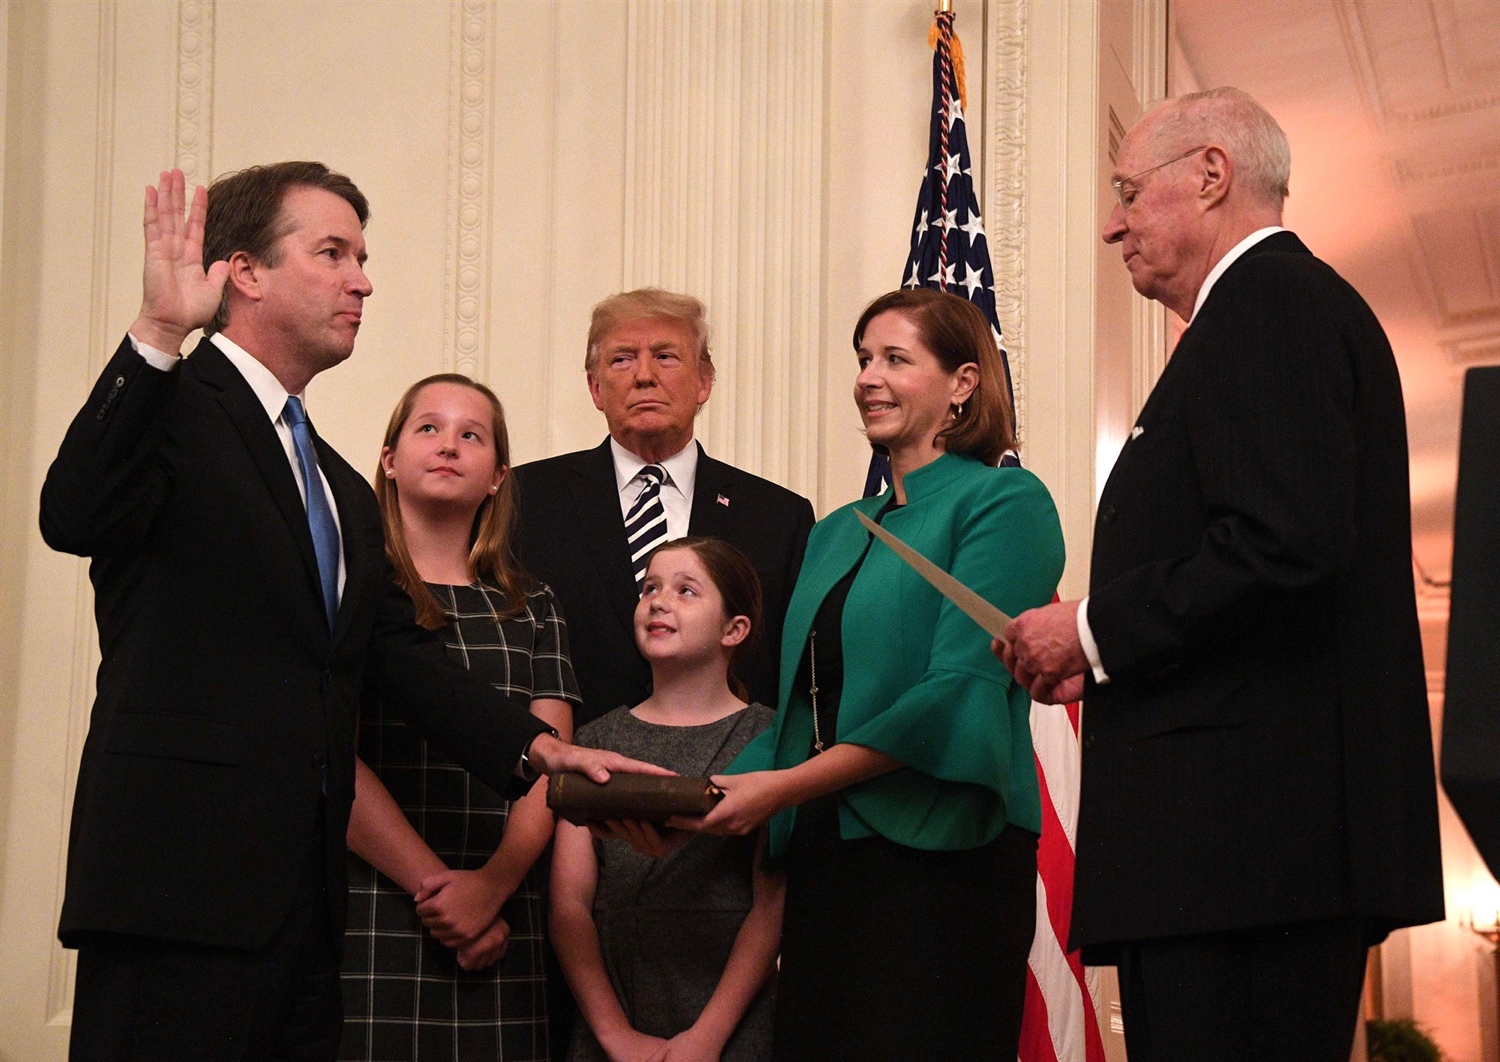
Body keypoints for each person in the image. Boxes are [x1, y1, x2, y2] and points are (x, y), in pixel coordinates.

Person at [38, 165, 653, 1060]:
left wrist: (542, 753)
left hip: (309, 913)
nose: (362, 279)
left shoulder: (334, 485)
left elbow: (398, 661)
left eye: (362, 257)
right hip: (175, 895)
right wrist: (157, 333)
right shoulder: (169, 405)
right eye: (332, 253)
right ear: (244, 272)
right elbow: (73, 514)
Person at [999, 88, 1445, 1060]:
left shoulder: (1270, 303)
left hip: (1245, 854)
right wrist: (1109, 656)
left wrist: (1091, 631)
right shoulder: (1260, 314)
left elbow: (1283, 544)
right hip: (1241, 851)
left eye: (1128, 189)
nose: (1111, 223)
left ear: (1210, 174)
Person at [680, 288, 1065, 1060]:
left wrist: (782, 789)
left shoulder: (1005, 501)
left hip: (944, 860)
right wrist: (684, 800)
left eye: (895, 358)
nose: (868, 377)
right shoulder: (833, 533)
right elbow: (798, 720)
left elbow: (956, 693)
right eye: (863, 359)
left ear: (963, 382)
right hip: (828, 861)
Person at [338, 375, 577, 1060]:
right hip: (376, 900)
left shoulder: (533, 605)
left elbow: (550, 763)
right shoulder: (352, 590)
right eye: (428, 428)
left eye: (471, 435)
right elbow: (332, 757)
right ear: (388, 458)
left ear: (498, 476)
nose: (449, 445)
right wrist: (436, 891)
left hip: (504, 912)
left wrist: (490, 889)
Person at [513, 289, 814, 728]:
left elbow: (791, 677)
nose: (644, 376)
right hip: (565, 775)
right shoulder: (524, 499)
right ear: (596, 388)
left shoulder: (778, 517)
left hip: (731, 779)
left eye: (666, 357)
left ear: (704, 382)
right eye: (622, 359)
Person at [551, 538, 783, 1062]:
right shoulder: (592, 742)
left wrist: (706, 1039)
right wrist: (615, 1036)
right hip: (613, 1016)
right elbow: (569, 905)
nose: (658, 601)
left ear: (734, 629)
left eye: (685, 591)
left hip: (729, 1022)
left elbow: (771, 905)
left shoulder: (768, 739)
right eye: (650, 587)